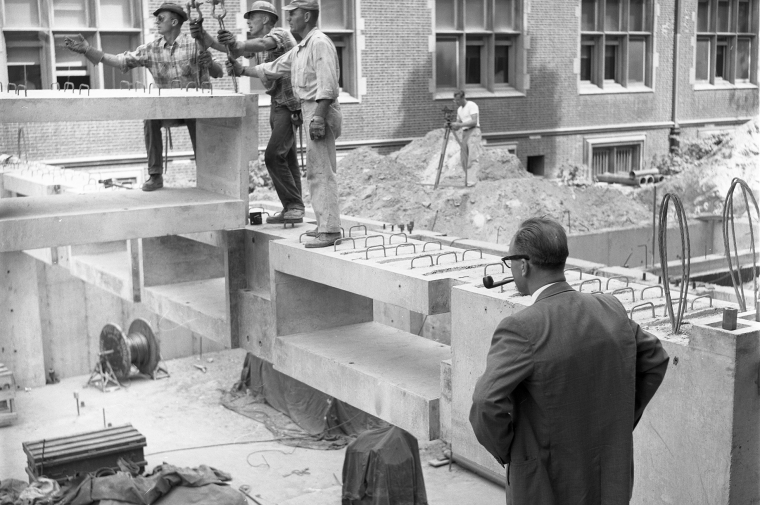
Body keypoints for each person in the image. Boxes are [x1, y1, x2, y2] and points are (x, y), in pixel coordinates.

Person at [469, 217, 669, 505]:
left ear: (523, 264)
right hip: (608, 480)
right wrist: (619, 423)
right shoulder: (610, 309)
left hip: (546, 484)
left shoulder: (522, 327)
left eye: (509, 261)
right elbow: (655, 359)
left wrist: (511, 451)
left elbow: (485, 402)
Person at [64, 2, 223, 192]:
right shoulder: (151, 49)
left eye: (161, 18)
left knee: (196, 119)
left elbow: (218, 73)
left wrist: (210, 63)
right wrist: (89, 50)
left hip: (196, 108)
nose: (157, 22)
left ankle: (207, 174)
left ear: (174, 22)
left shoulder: (195, 44)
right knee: (150, 116)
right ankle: (155, 175)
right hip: (170, 109)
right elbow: (120, 60)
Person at [228, 0, 342, 248]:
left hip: (319, 109)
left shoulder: (320, 43)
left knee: (322, 171)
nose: (289, 17)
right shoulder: (303, 47)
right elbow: (274, 67)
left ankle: (331, 230)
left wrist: (319, 117)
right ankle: (324, 225)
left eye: (294, 13)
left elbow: (328, 85)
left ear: (308, 16)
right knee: (314, 170)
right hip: (310, 109)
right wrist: (242, 71)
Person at [191, 1, 305, 224]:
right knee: (287, 158)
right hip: (278, 103)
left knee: (273, 156)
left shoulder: (280, 35)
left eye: (252, 18)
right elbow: (230, 48)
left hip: (290, 105)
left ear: (265, 19)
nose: (248, 21)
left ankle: (294, 206)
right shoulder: (261, 45)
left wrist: (237, 44)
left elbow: (260, 44)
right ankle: (294, 207)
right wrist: (203, 35)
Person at [450, 90, 481, 186]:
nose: (457, 102)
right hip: (465, 133)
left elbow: (474, 121)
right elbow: (458, 125)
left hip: (473, 131)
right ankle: (468, 179)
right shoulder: (459, 110)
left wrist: (459, 124)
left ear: (463, 98)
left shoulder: (471, 105)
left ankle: (472, 181)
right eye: (455, 100)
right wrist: (451, 125)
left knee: (472, 157)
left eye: (458, 100)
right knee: (463, 158)